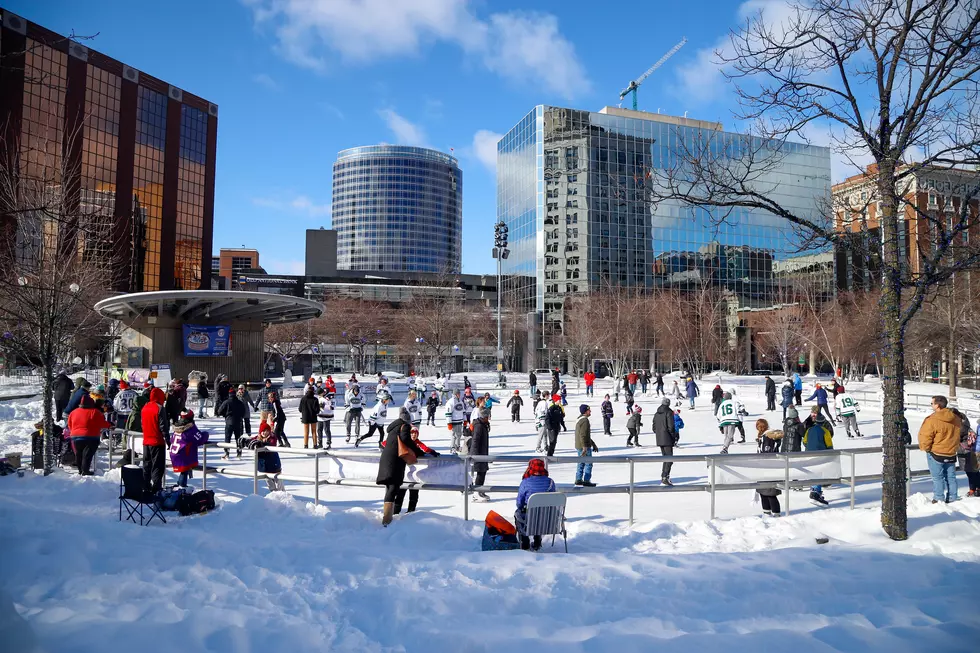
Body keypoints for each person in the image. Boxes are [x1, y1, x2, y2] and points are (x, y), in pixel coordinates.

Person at [376, 408, 426, 526]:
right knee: (393, 488)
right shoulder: (404, 426)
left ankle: (387, 517)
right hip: (395, 461)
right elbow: (406, 440)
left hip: (387, 460)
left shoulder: (393, 427)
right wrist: (418, 452)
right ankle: (387, 519)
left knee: (390, 488)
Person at [380, 426, 441, 515]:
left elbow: (425, 448)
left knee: (414, 494)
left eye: (415, 433)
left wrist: (432, 452)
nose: (413, 435)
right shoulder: (402, 440)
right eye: (412, 433)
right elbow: (385, 443)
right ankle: (395, 513)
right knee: (400, 494)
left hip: (415, 474)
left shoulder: (417, 443)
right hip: (403, 473)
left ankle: (411, 514)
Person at [918, 395, 961, 504]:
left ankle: (938, 498)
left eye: (932, 403)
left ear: (937, 405)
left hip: (936, 452)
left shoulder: (933, 419)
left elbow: (926, 436)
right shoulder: (955, 418)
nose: (931, 405)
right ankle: (953, 497)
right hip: (951, 452)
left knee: (938, 478)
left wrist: (926, 448)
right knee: (951, 477)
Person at [515, 458, 556, 551]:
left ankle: (525, 543)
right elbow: (553, 498)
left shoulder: (526, 482)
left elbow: (519, 502)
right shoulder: (550, 482)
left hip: (529, 516)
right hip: (546, 518)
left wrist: (520, 508)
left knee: (518, 514)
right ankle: (537, 542)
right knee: (540, 513)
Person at [66, 393, 111, 476]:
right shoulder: (95, 412)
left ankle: (80, 470)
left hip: (76, 437)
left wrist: (74, 432)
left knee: (79, 453)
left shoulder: (73, 412)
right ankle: (85, 470)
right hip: (91, 437)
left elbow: (69, 424)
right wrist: (110, 425)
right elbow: (101, 423)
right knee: (88, 454)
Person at [169, 409, 209, 488]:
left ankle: (180, 485)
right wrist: (206, 434)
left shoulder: (177, 428)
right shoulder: (190, 429)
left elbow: (171, 439)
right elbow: (200, 439)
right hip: (183, 454)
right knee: (184, 471)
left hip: (175, 452)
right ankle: (181, 486)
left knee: (184, 471)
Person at [140, 387, 170, 492]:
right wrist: (167, 439)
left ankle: (145, 487)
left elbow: (142, 424)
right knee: (157, 466)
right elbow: (163, 426)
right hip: (157, 441)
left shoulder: (145, 407)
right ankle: (156, 489)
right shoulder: (160, 408)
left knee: (147, 465)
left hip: (146, 441)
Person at [754, 418, 783, 516]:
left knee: (770, 493)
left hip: (768, 468)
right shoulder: (764, 437)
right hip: (765, 467)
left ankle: (776, 514)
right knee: (764, 492)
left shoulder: (768, 437)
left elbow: (767, 453)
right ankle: (767, 513)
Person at [651, 397, 678, 485]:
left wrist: (658, 433)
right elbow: (671, 427)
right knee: (669, 459)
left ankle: (664, 476)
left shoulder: (657, 413)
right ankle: (665, 477)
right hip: (667, 438)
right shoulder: (669, 412)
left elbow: (654, 427)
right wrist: (673, 437)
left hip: (659, 438)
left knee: (665, 458)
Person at [216, 387, 247, 460]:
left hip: (229, 422)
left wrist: (225, 414)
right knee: (238, 439)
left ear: (229, 394)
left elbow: (219, 411)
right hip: (238, 422)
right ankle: (239, 453)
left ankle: (227, 454)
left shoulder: (226, 402)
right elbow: (243, 412)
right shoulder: (240, 402)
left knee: (227, 438)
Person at [471, 405, 492, 502]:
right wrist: (475, 456)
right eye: (487, 417)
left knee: (483, 472)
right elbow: (475, 441)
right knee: (480, 472)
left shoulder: (483, 424)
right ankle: (476, 492)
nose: (488, 418)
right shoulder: (479, 426)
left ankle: (480, 490)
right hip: (479, 454)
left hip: (483, 453)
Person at [574, 404, 597, 487]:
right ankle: (586, 480)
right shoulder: (584, 421)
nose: (590, 411)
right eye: (589, 410)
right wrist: (585, 447)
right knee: (588, 463)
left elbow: (585, 435)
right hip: (584, 446)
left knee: (581, 463)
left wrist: (593, 444)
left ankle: (578, 479)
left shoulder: (580, 419)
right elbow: (583, 435)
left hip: (580, 445)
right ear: (585, 411)